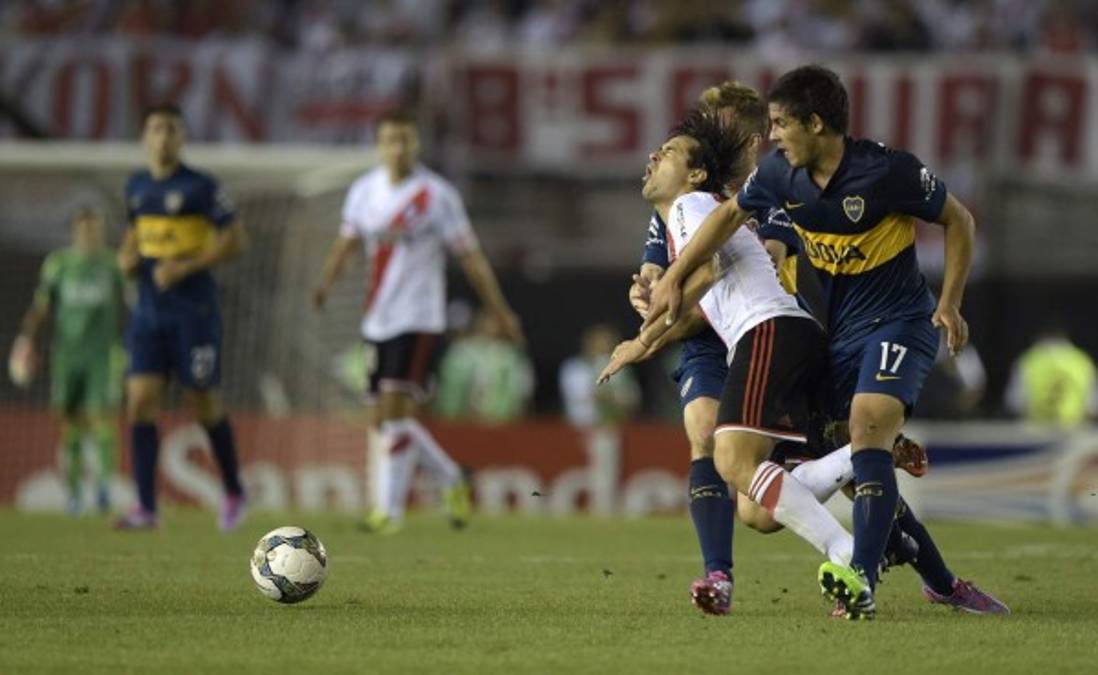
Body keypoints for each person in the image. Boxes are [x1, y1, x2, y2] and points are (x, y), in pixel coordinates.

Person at [643, 65, 1005, 619]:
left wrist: (949, 302)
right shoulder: (755, 184)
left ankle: (865, 574)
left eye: (777, 124)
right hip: (800, 337)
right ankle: (933, 577)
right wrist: (660, 282)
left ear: (809, 125)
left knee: (861, 435)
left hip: (845, 328)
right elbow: (696, 243)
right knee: (771, 501)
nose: (771, 135)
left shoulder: (868, 174)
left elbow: (958, 220)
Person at [313, 109, 523, 534]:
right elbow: (346, 241)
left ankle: (388, 513)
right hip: (377, 317)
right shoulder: (364, 191)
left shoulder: (436, 195)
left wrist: (499, 310)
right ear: (378, 145)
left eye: (405, 140)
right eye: (390, 140)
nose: (398, 148)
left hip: (419, 317)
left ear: (417, 143)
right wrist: (325, 283)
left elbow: (471, 258)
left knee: (395, 410)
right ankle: (452, 477)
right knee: (383, 420)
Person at [115, 103, 248, 531]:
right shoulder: (136, 186)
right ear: (145, 137)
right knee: (140, 402)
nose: (164, 137)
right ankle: (146, 508)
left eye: (172, 129)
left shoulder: (201, 186)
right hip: (148, 313)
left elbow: (236, 240)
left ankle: (233, 490)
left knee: (203, 401)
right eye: (156, 128)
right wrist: (126, 259)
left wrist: (186, 266)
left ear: (182, 137)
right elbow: (134, 235)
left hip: (194, 312)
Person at [10, 207, 125, 515]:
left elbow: (132, 302)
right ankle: (74, 494)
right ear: (76, 233)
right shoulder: (59, 264)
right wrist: (26, 339)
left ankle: (104, 489)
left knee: (101, 418)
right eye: (85, 230)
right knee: (70, 423)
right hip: (67, 356)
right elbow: (41, 306)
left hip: (103, 355)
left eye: (95, 230)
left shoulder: (112, 264)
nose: (91, 236)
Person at [435, 311, 534, 423]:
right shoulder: (460, 350)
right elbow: (449, 386)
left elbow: (520, 388)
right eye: (487, 320)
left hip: (501, 421)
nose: (489, 325)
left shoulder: (510, 354)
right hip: (461, 420)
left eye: (494, 322)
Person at [1005, 323, 1097, 427]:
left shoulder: (1028, 360)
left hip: (1034, 430)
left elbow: (1014, 404)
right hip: (1074, 431)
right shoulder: (1082, 362)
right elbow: (1092, 408)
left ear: (1041, 336)